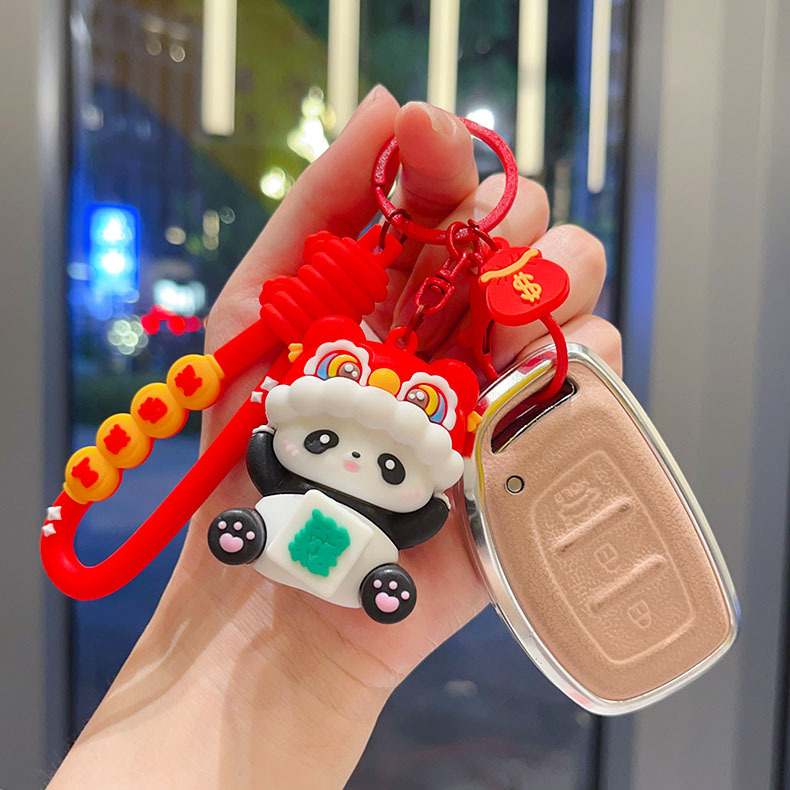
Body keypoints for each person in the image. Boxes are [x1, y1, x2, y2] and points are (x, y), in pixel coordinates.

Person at [48, 86, 620, 789]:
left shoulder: (398, 493)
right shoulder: (286, 408)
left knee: (360, 558)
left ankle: (369, 579)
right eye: (324, 446)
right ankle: (265, 540)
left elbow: (415, 512)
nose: (350, 459)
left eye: (386, 468)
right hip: (287, 523)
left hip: (361, 557)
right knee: (268, 526)